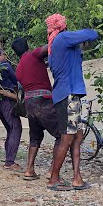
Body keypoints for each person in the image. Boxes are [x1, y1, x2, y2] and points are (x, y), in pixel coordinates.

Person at [46, 13, 99, 191]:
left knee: (76, 135)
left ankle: (77, 178)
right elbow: (92, 34)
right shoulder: (64, 38)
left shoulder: (54, 46)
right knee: (68, 137)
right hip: (68, 94)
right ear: (62, 26)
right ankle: (54, 178)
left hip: (66, 94)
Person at [13, 38, 62, 184]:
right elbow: (49, 47)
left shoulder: (19, 68)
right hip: (43, 101)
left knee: (35, 138)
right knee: (62, 135)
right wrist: (58, 35)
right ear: (27, 46)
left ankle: (29, 169)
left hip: (30, 104)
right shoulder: (33, 55)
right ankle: (52, 171)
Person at [0, 47, 23, 172]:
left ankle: (9, 158)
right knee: (16, 127)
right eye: (3, 54)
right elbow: (17, 79)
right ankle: (9, 162)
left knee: (10, 128)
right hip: (6, 100)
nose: (5, 56)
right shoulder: (4, 65)